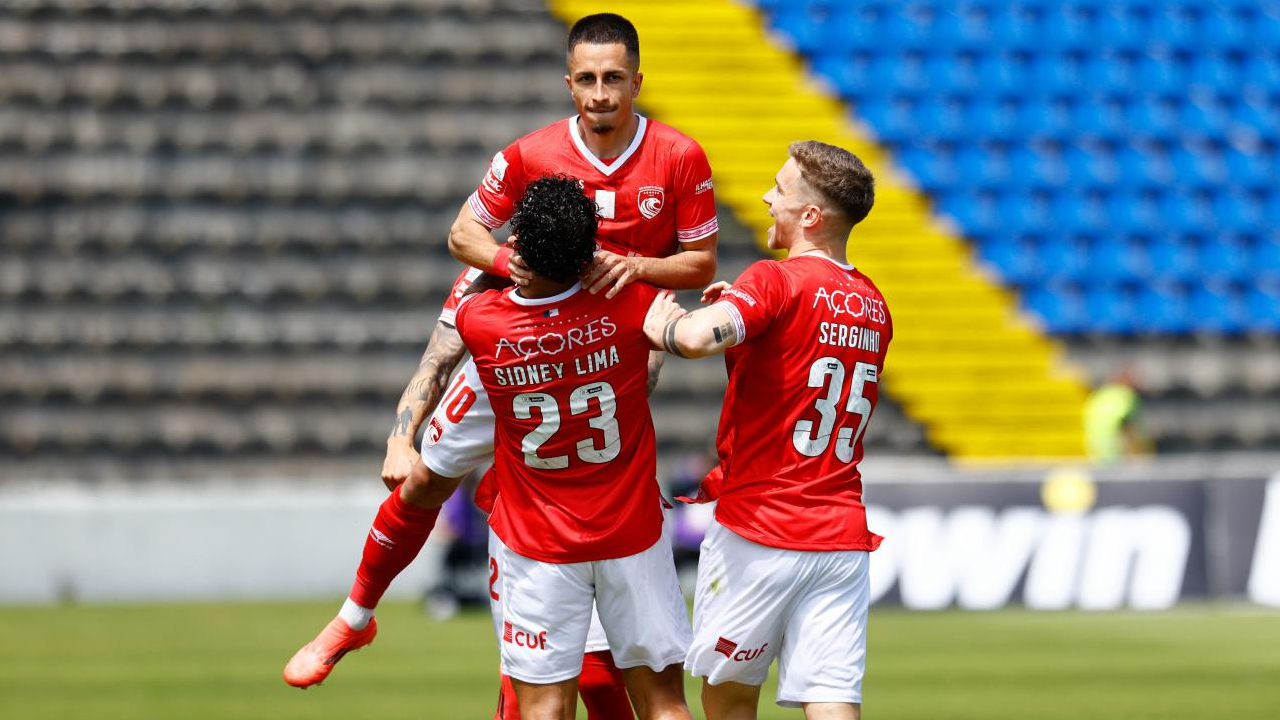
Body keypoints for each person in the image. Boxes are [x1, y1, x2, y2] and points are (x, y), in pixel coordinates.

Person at [284, 13, 717, 717]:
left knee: (591, 609)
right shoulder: (528, 157)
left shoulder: (679, 158)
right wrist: (513, 265)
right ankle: (354, 618)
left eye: (614, 79)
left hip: (612, 343)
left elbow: (699, 263)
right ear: (568, 83)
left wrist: (637, 265)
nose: (601, 93)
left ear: (638, 81)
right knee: (425, 477)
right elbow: (463, 238)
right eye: (587, 79)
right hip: (521, 344)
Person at [642, 141, 891, 720]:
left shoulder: (775, 280)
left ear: (810, 216)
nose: (766, 198)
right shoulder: (875, 303)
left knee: (728, 699)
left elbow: (699, 338)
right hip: (840, 535)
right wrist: (748, 313)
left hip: (762, 528)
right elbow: (803, 348)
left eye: (779, 190)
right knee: (831, 701)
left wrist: (661, 318)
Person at [455, 175, 692, 720]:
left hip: (539, 541)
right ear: (591, 251)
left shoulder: (482, 323)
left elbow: (471, 279)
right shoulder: (635, 305)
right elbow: (675, 325)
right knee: (663, 705)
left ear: (520, 251)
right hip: (632, 530)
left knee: (544, 709)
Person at [1084, 366, 1152, 464]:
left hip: (1097, 459)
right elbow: (1127, 428)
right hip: (1119, 460)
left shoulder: (1098, 396)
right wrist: (1139, 458)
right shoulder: (1125, 397)